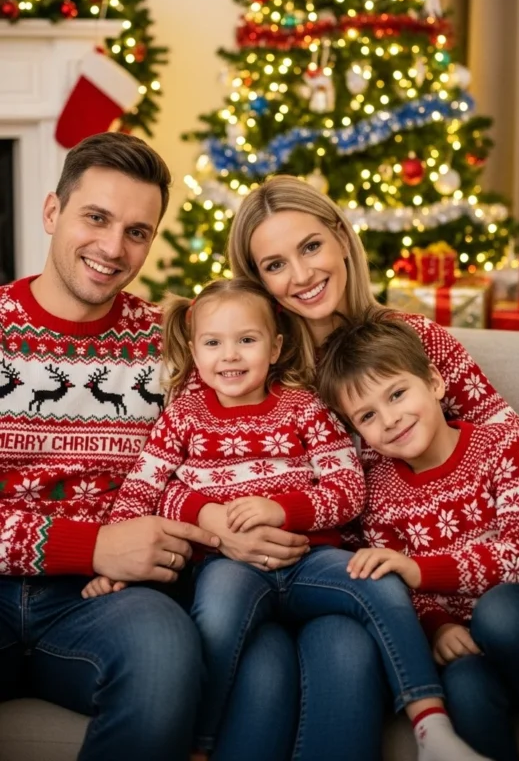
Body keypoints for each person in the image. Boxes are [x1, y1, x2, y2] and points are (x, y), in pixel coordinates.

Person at [83, 277, 489, 761]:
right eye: (214, 343)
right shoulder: (183, 415)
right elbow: (144, 486)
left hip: (310, 558)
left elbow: (348, 490)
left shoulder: (305, 407)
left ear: (275, 347)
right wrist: (112, 564)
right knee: (216, 612)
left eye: (247, 341)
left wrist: (282, 509)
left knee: (382, 583)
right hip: (227, 565)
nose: (230, 356)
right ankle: (199, 744)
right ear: (194, 350)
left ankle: (431, 726)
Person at [222, 172, 519, 753]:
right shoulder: (263, 372)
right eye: (275, 265)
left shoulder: (417, 342)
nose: (301, 276)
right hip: (309, 575)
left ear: (339, 238)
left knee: (420, 652)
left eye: (309, 247)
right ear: (259, 283)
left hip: (399, 584)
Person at [0, 134, 299, 761]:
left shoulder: (174, 344)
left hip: (103, 603)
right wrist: (91, 543)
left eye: (138, 231)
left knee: (165, 651)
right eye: (96, 218)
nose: (113, 248)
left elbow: (221, 451)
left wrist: (215, 519)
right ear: (53, 212)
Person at [316, 309, 519, 761]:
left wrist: (420, 570)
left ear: (434, 382)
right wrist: (437, 625)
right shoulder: (382, 492)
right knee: (463, 683)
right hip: (475, 651)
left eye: (397, 394)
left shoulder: (503, 447)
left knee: (500, 610)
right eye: (367, 415)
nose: (389, 419)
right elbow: (398, 580)